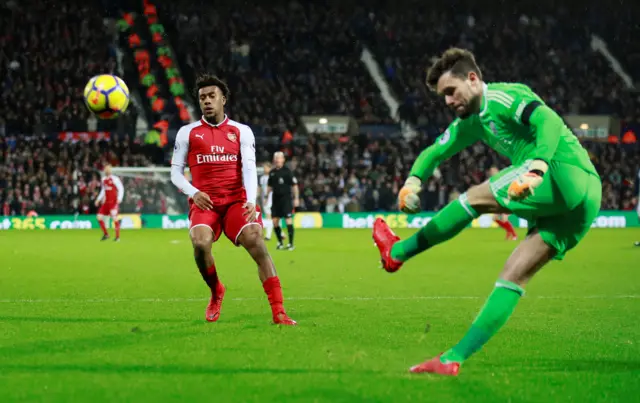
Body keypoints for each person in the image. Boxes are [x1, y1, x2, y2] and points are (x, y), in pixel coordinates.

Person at [373, 48, 601, 376]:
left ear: (473, 79)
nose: (448, 101)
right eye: (443, 97)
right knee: (513, 275)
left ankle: (398, 252)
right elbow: (435, 151)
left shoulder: (504, 97)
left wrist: (536, 168)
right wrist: (412, 183)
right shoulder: (471, 122)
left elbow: (547, 119)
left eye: (451, 91)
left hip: (563, 171)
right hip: (582, 204)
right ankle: (452, 359)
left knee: (473, 198)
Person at [170, 74, 296, 325]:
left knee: (256, 239)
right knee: (200, 243)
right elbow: (175, 172)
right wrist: (194, 192)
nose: (206, 101)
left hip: (236, 201)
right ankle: (216, 290)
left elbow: (249, 168)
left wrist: (250, 200)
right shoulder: (187, 133)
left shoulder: (241, 131)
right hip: (205, 202)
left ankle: (279, 310)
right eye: (202, 97)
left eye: (211, 96)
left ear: (223, 99)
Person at [267, 151, 299, 250]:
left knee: (288, 219)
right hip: (275, 199)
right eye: (276, 158)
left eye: (279, 158)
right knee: (275, 221)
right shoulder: (272, 172)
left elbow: (294, 186)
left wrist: (296, 198)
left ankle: (290, 243)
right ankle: (280, 243)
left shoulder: (287, 172)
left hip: (286, 199)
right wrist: (265, 196)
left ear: (283, 160)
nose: (277, 160)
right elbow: (269, 186)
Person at [95, 164, 124, 242]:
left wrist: (119, 198)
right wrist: (98, 199)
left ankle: (117, 237)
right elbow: (103, 190)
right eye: (106, 169)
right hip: (106, 203)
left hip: (113, 203)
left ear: (110, 170)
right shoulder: (103, 179)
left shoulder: (115, 179)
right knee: (99, 217)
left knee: (114, 218)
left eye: (108, 169)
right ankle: (106, 234)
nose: (107, 170)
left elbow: (121, 188)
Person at [488, 166, 518, 240]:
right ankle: (508, 232)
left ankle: (514, 235)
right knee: (494, 218)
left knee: (504, 219)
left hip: (506, 201)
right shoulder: (492, 181)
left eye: (493, 171)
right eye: (491, 172)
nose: (492, 173)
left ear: (497, 171)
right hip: (499, 202)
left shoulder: (502, 179)